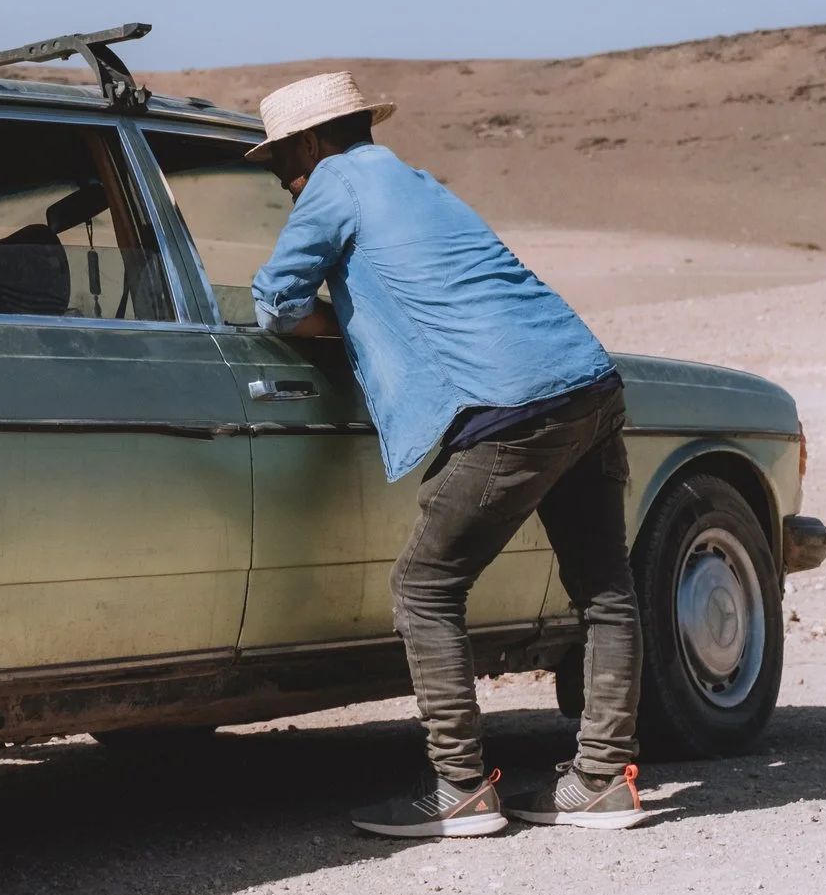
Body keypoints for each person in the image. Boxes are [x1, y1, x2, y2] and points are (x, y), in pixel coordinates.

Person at [247, 71, 648, 836]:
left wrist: (348, 326)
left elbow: (275, 302)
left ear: (310, 142)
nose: (287, 184)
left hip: (512, 402)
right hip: (588, 379)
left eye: (279, 166)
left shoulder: (334, 181)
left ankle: (460, 786)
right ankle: (602, 779)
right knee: (604, 588)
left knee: (425, 584)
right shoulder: (418, 181)